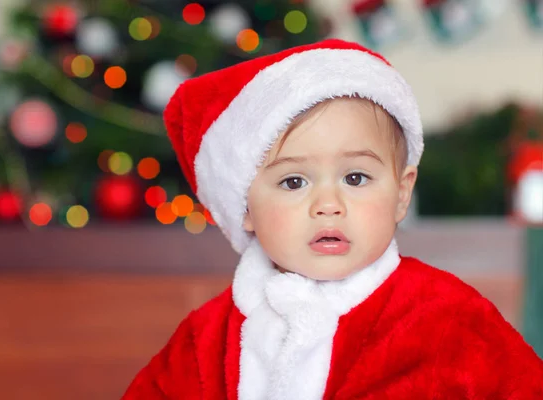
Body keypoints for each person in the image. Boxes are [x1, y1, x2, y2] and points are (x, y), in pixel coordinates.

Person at [121, 39, 543, 399]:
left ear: (401, 193)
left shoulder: (451, 319)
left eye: (355, 177)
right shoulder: (205, 343)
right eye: (293, 182)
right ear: (245, 208)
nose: (328, 204)